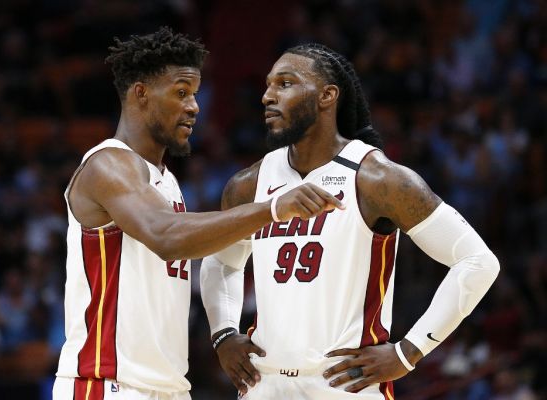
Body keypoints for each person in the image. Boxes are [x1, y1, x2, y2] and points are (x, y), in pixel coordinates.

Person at [52, 30, 343, 400]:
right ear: (141, 93)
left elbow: (210, 249)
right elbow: (167, 237)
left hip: (167, 387)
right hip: (106, 384)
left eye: (193, 94)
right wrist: (272, 209)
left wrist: (224, 330)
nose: (194, 107)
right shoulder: (108, 164)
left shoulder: (166, 181)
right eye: (180, 93)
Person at [200, 43, 500, 399]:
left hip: (344, 384)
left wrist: (409, 351)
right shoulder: (248, 184)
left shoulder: (379, 179)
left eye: (285, 83)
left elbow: (478, 262)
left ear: (328, 95)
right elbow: (220, 262)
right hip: (264, 382)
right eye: (268, 85)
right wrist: (223, 334)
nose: (267, 96)